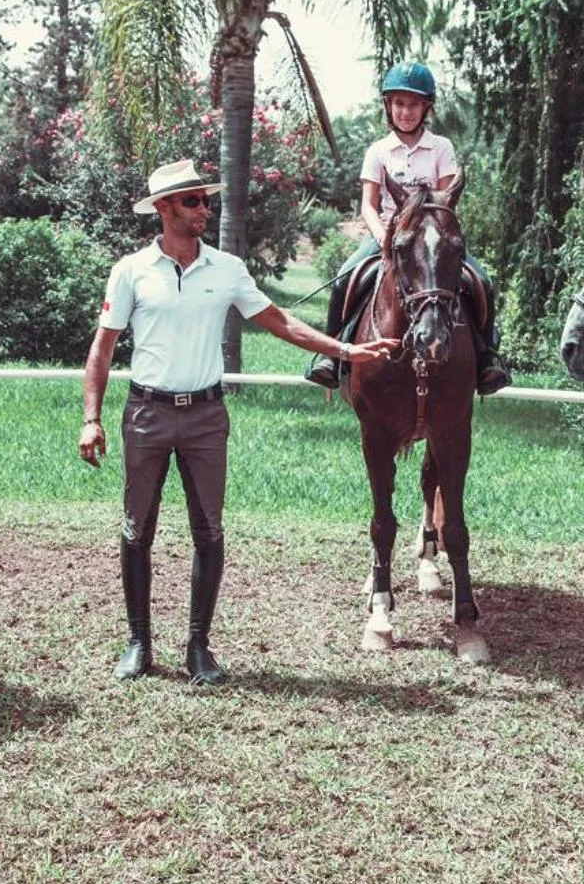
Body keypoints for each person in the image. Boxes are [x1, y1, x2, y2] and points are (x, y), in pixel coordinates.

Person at [81, 159, 401, 684]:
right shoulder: (131, 270)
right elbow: (102, 349)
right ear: (163, 209)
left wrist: (347, 350)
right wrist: (91, 418)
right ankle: (138, 642)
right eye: (193, 202)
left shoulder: (226, 269)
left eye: (207, 200)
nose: (204, 209)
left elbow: (279, 322)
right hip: (146, 415)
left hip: (207, 417)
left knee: (209, 530)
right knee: (138, 529)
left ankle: (198, 647)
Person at [304, 62, 511, 395]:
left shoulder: (441, 147)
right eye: (399, 103)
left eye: (413, 104)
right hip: (390, 236)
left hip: (431, 239)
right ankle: (332, 357)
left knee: (481, 281)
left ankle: (488, 360)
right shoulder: (378, 151)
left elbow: (446, 200)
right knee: (345, 279)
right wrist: (384, 238)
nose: (406, 111)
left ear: (426, 107)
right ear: (389, 105)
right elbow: (368, 205)